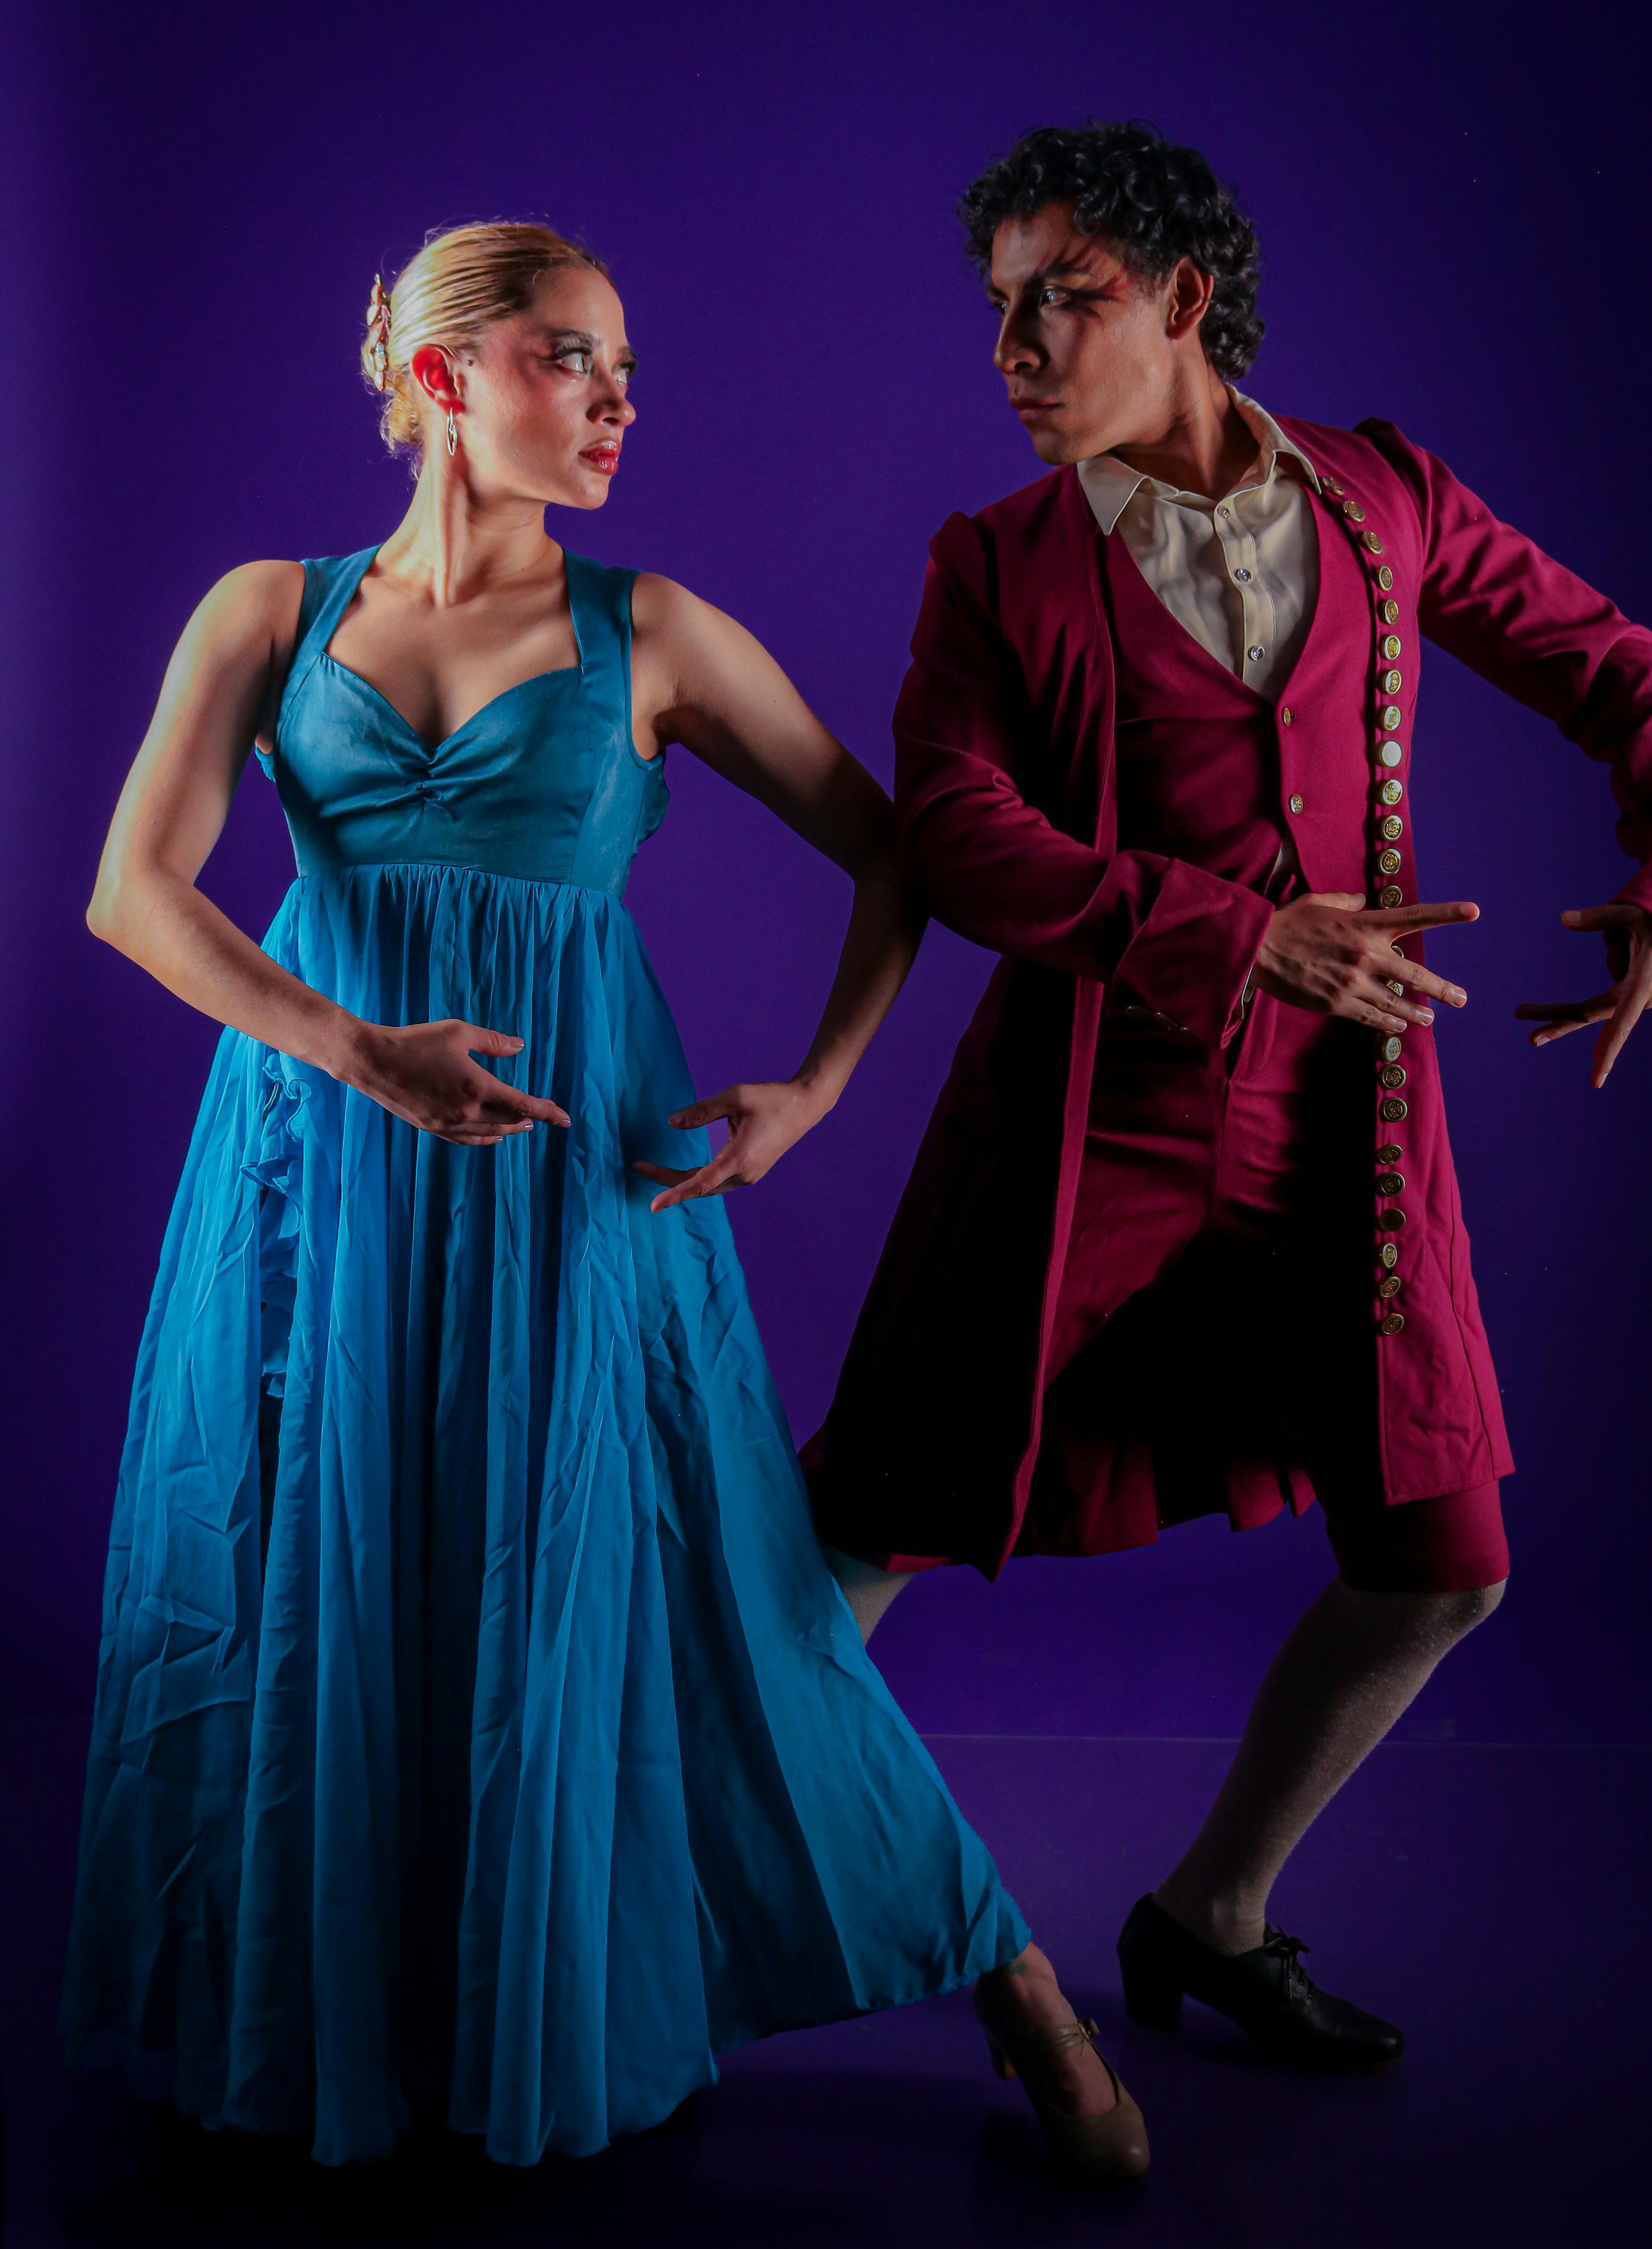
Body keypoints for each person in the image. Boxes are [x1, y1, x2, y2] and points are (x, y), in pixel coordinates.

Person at [60, 221, 1148, 2184]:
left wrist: (811, 1093)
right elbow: (134, 893)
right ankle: (383, 2023)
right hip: (317, 1173)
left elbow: (895, 855)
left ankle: (1014, 1984)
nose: (621, 402)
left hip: (580, 1184)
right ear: (441, 378)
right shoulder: (267, 613)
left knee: (707, 1597)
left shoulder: (649, 632)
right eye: (575, 359)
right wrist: (354, 1047)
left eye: (626, 365)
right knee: (326, 1581)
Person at [804, 123, 1652, 2068]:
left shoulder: (1384, 499)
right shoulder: (997, 562)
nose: (1015, 344)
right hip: (1078, 1124)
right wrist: (1235, 931)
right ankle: (656, 1896)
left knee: (1445, 1566)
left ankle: (1209, 1914)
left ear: (1184, 303)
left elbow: (1620, 673)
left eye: (1064, 299)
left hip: (1341, 1142)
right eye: (999, 308)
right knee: (858, 1538)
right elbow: (953, 828)